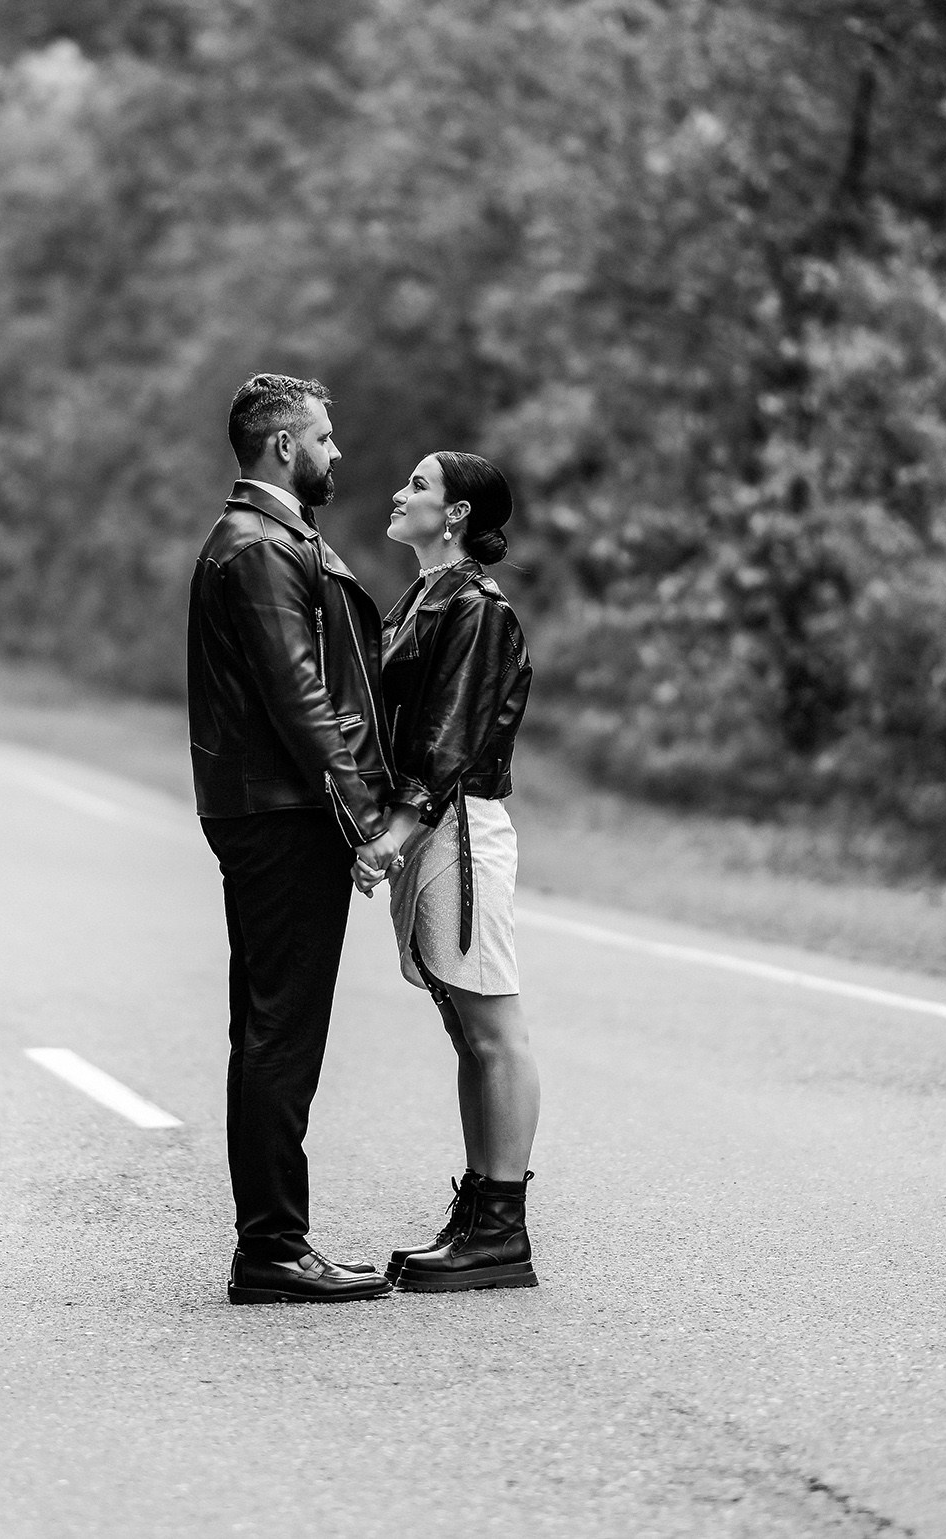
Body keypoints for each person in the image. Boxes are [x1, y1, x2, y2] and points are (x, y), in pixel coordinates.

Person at [186, 373, 395, 1305]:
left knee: (272, 1025)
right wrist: (362, 814)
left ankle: (272, 1241)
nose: (336, 452)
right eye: (323, 436)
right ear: (282, 447)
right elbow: (300, 695)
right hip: (281, 811)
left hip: (274, 806)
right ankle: (273, 1247)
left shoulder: (269, 537)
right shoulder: (258, 547)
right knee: (280, 1030)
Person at [355, 452, 540, 1292]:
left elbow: (449, 733)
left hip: (457, 826)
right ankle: (478, 1215)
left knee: (493, 1028)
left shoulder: (476, 606)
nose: (401, 492)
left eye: (419, 485)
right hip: (432, 824)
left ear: (457, 512)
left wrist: (399, 827)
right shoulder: (420, 598)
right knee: (465, 1030)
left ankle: (502, 1230)